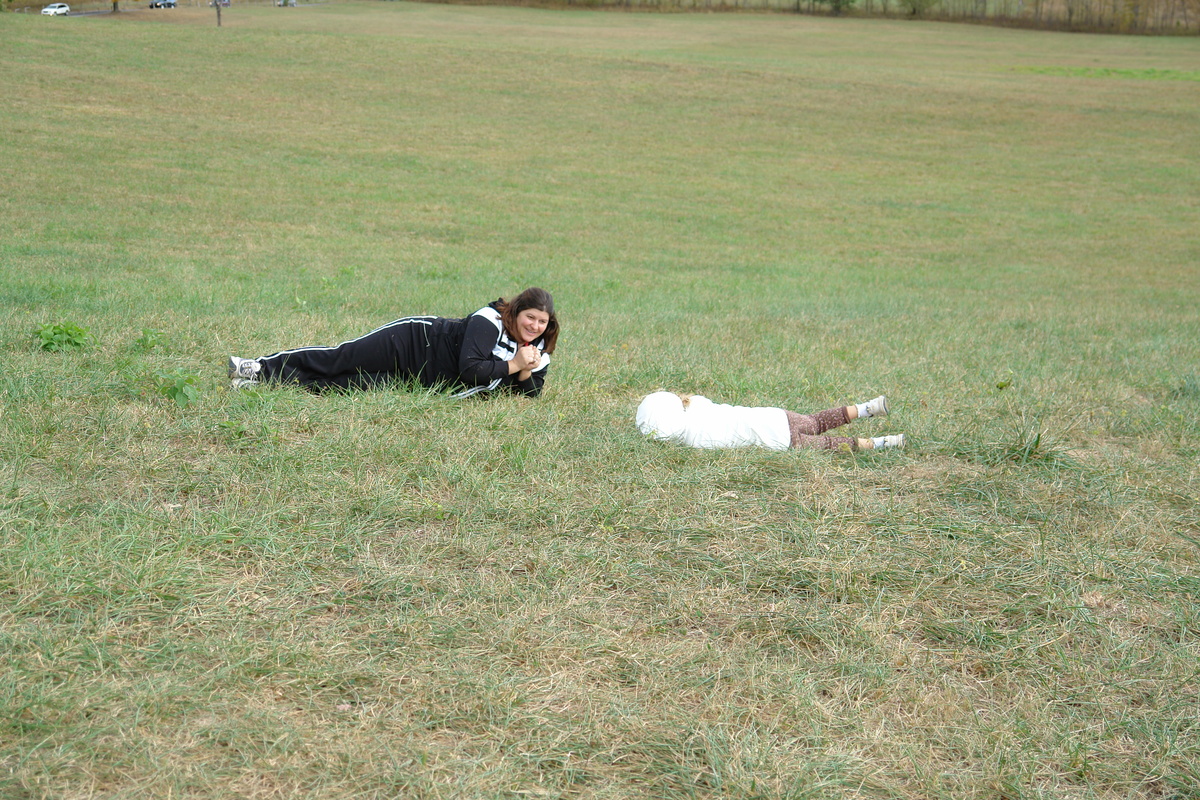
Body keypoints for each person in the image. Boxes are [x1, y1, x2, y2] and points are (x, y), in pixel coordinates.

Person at [227, 287, 558, 398]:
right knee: (341, 358)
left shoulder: (537, 353)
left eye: (541, 322)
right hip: (412, 340)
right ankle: (257, 366)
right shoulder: (489, 321)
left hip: (421, 379)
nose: (534, 326)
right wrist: (514, 365)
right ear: (516, 311)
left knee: (350, 385)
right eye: (530, 317)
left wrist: (525, 369)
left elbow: (530, 395)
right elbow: (471, 369)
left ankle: (264, 385)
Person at [635, 391, 904, 452]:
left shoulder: (694, 442)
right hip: (776, 417)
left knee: (831, 444)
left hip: (780, 441)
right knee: (818, 420)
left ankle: (881, 443)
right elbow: (695, 399)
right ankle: (867, 408)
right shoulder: (699, 406)